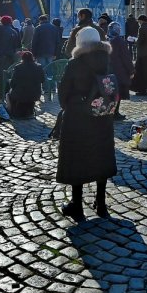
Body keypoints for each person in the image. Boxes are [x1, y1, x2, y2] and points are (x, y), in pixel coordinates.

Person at [56, 27, 118, 222]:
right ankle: (101, 203)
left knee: (77, 158)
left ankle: (77, 205)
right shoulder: (106, 61)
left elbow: (63, 90)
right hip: (102, 116)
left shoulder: (75, 64)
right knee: (101, 155)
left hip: (78, 118)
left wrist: (69, 106)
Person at [7, 50, 45, 118]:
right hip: (35, 94)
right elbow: (43, 80)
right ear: (32, 58)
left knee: (8, 94)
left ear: (22, 58)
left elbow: (13, 83)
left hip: (20, 94)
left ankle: (12, 111)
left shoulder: (18, 67)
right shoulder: (39, 67)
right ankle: (29, 111)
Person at [130, 15, 147, 95]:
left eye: (139, 21)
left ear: (141, 20)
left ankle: (142, 90)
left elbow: (140, 41)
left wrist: (134, 41)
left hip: (142, 53)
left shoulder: (141, 28)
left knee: (141, 72)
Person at [107, 21, 134, 99]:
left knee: (112, 91)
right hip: (119, 70)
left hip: (109, 70)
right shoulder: (120, 41)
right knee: (118, 91)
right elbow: (126, 57)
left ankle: (113, 109)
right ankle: (115, 109)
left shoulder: (107, 40)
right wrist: (131, 70)